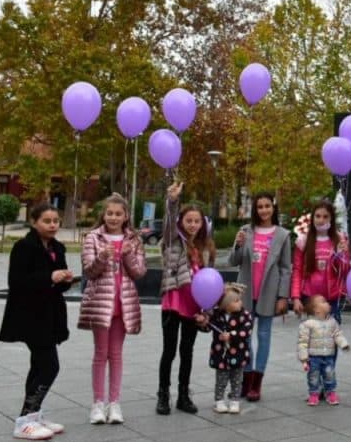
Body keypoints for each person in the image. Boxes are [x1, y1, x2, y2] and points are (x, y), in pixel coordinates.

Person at [0, 203, 73, 440]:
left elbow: (59, 284)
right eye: (47, 221)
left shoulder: (57, 247)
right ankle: (25, 420)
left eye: (56, 221)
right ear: (34, 222)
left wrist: (65, 279)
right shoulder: (24, 247)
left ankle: (33, 415)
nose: (53, 225)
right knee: (50, 366)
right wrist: (49, 277)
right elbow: (18, 282)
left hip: (50, 315)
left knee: (39, 366)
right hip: (30, 316)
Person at [79, 193, 146, 425]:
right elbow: (88, 271)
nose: (114, 218)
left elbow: (139, 273)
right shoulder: (92, 238)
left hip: (124, 304)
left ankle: (114, 403)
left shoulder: (134, 240)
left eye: (118, 214)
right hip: (101, 304)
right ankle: (97, 403)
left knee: (116, 354)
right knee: (101, 353)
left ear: (126, 216)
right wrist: (101, 257)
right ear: (103, 214)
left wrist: (127, 255)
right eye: (110, 213)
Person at [156, 181, 214, 415]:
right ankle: (163, 395)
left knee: (187, 351)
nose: (192, 225)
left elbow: (211, 281)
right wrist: (172, 201)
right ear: (181, 222)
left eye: (196, 221)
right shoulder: (172, 241)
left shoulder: (206, 249)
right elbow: (169, 220)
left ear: (202, 224)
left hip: (193, 306)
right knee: (169, 351)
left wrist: (207, 311)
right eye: (188, 220)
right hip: (173, 301)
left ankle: (183, 395)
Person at [229, 192, 291, 402]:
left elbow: (285, 269)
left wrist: (283, 296)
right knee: (243, 336)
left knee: (264, 336)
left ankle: (257, 382)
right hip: (245, 294)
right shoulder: (246, 231)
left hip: (268, 294)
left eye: (267, 206)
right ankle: (245, 381)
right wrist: (237, 245)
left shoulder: (282, 235)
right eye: (260, 207)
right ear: (255, 210)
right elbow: (233, 261)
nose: (264, 210)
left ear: (273, 208)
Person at [291, 199, 351, 326]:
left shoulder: (340, 239)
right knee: (313, 339)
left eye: (325, 216)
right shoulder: (303, 241)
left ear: (331, 219)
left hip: (332, 299)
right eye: (318, 216)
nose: (321, 220)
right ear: (312, 218)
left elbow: (345, 271)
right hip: (310, 298)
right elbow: (297, 270)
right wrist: (296, 297)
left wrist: (343, 255)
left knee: (331, 338)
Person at [298, 295, 351, 406]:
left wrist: (343, 344)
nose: (327, 303)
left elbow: (337, 334)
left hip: (328, 356)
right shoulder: (307, 324)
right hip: (313, 357)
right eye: (323, 302)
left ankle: (330, 393)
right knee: (313, 376)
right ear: (316, 309)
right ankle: (313, 394)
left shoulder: (333, 322)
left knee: (330, 375)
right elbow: (303, 342)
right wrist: (303, 357)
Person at [209, 283, 253, 414]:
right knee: (221, 379)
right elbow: (208, 326)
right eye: (236, 300)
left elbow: (247, 330)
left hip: (238, 353)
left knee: (237, 379)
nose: (240, 302)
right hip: (221, 354)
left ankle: (235, 401)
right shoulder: (217, 314)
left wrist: (232, 335)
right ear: (226, 304)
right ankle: (219, 401)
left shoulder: (244, 315)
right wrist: (203, 322)